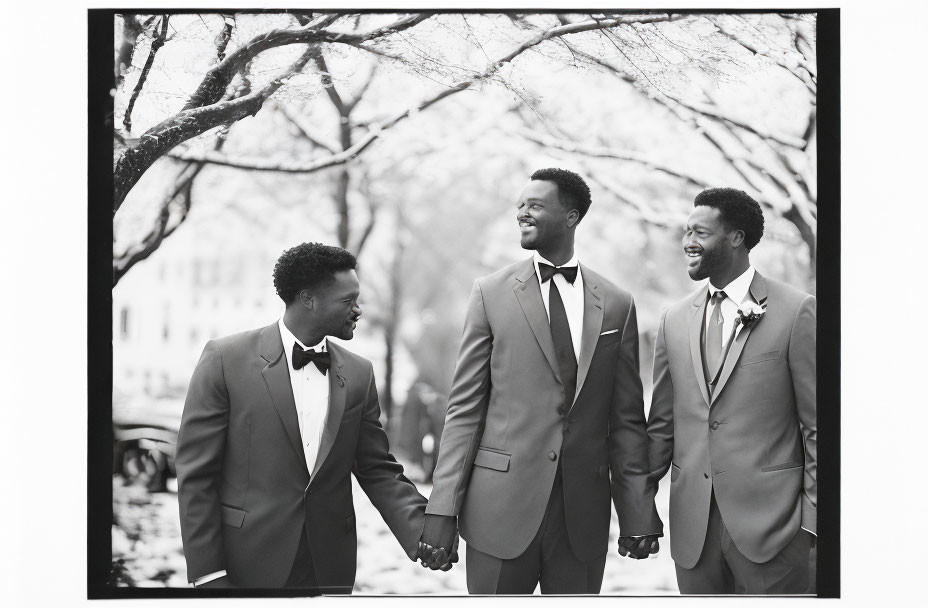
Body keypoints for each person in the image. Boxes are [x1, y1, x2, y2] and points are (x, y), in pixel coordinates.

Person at [419, 168, 662, 594]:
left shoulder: (618, 304)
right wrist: (442, 507)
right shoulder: (490, 293)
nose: (521, 214)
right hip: (498, 510)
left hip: (581, 519)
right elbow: (465, 410)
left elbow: (625, 420)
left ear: (571, 217)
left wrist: (637, 512)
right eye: (519, 206)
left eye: (534, 205)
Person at [175, 243, 433, 592]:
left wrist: (424, 531)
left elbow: (377, 467)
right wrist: (207, 572)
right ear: (308, 299)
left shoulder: (360, 374)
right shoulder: (224, 359)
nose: (358, 310)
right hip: (243, 565)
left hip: (329, 568)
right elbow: (196, 475)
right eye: (348, 300)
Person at [646, 188, 816, 594]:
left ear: (736, 238)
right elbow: (662, 427)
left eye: (700, 233)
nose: (688, 242)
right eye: (687, 231)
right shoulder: (673, 320)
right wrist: (639, 507)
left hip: (776, 534)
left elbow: (819, 426)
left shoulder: (796, 312)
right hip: (693, 537)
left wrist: (810, 525)